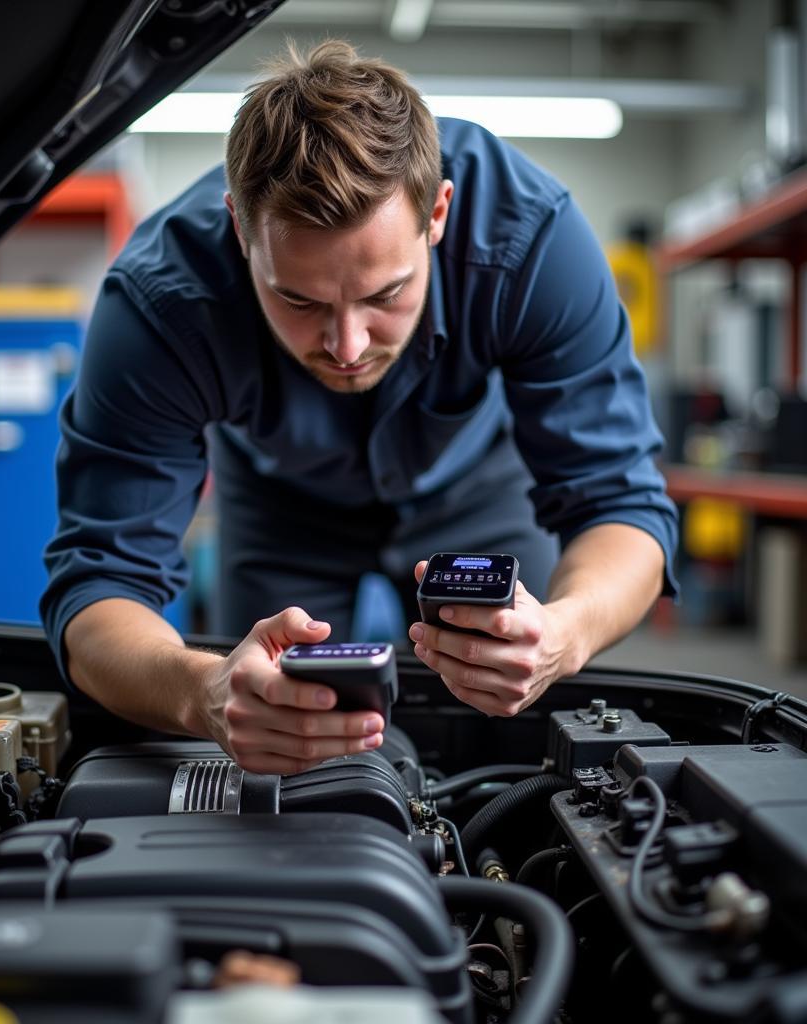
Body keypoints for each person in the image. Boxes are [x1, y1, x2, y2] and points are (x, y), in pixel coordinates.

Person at [41, 40, 677, 775]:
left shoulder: (529, 240)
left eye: (384, 295)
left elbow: (624, 509)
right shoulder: (160, 306)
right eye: (298, 298)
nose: (346, 345)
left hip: (482, 492)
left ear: (437, 213)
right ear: (242, 231)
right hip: (279, 506)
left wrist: (564, 632)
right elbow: (97, 590)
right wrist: (204, 693)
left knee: (517, 733)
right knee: (279, 742)